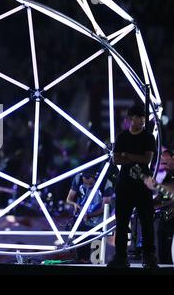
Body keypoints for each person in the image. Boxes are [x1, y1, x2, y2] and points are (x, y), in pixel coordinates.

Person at [107, 104, 158, 268]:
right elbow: (116, 160)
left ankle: (149, 256)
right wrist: (135, 158)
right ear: (131, 118)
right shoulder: (122, 137)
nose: (142, 120)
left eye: (144, 117)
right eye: (139, 117)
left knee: (147, 221)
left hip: (143, 185)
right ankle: (120, 257)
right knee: (122, 222)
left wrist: (127, 155)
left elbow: (147, 160)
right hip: (125, 186)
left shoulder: (148, 137)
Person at [66, 170, 113, 263]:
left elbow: (105, 207)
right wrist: (74, 204)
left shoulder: (106, 183)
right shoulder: (78, 178)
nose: (87, 186)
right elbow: (69, 199)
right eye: (85, 183)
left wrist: (88, 215)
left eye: (90, 184)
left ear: (95, 177)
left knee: (96, 256)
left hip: (98, 223)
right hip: (82, 220)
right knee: (80, 252)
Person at [144, 149, 174, 264]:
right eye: (159, 157)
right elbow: (162, 197)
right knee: (164, 254)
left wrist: (156, 185)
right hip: (166, 221)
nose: (161, 159)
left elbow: (171, 193)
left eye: (164, 156)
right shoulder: (168, 176)